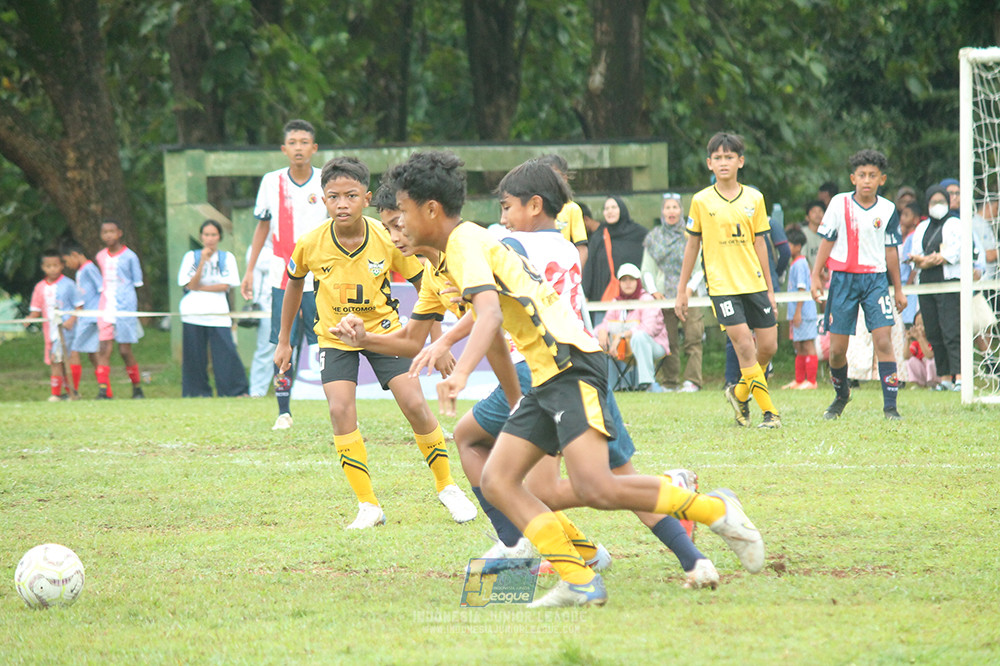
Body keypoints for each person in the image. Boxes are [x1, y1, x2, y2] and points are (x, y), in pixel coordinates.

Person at [388, 150, 764, 607]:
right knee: (498, 481)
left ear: (430, 209)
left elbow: (488, 316)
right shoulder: (454, 253)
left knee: (596, 487)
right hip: (546, 376)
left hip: (569, 364)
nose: (399, 224)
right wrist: (509, 398)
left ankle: (715, 510)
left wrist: (459, 371)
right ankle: (579, 579)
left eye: (402, 212)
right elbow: (498, 325)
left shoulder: (466, 242)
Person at [274, 156, 477, 529]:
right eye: (333, 197)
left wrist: (438, 341)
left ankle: (447, 486)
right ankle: (368, 505)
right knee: (339, 410)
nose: (342, 204)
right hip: (334, 337)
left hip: (386, 334)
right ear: (322, 200)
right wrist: (284, 339)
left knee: (415, 403)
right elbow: (294, 282)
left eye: (351, 196)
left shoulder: (389, 237)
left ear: (366, 198)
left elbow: (424, 284)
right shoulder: (310, 244)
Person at [676, 132, 781, 429]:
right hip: (722, 287)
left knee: (769, 346)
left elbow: (761, 244)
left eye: (729, 157)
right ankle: (769, 413)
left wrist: (770, 291)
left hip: (755, 283)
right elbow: (692, 245)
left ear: (741, 161)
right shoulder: (701, 201)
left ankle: (738, 393)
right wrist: (681, 289)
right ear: (709, 164)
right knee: (745, 345)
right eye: (718, 158)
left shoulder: (755, 198)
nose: (724, 162)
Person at [242, 119, 327, 430]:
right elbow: (262, 227)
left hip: (322, 276)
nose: (299, 148)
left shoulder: (325, 181)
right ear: (284, 149)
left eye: (305, 142)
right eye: (293, 142)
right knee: (284, 343)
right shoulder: (271, 182)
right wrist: (249, 270)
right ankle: (283, 411)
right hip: (283, 276)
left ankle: (339, 406)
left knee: (327, 344)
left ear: (314, 148)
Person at [810, 150, 906, 419]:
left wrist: (897, 288)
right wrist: (816, 274)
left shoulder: (887, 210)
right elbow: (827, 240)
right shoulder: (839, 204)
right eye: (862, 175)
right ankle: (841, 396)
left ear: (882, 179)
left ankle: (890, 407)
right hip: (842, 280)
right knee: (838, 350)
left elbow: (891, 251)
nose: (867, 180)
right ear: (853, 178)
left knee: (883, 340)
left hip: (875, 280)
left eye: (872, 175)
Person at [177, 220, 249, 397]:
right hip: (193, 313)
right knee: (194, 354)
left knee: (226, 351)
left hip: (218, 313)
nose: (210, 239)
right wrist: (202, 261)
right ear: (201, 236)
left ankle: (234, 390)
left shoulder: (227, 258)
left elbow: (225, 285)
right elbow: (189, 283)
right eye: (206, 235)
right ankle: (196, 392)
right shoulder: (191, 258)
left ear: (219, 237)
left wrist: (199, 287)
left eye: (213, 235)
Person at [641, 192, 704, 392]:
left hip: (689, 295)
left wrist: (687, 290)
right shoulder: (654, 237)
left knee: (693, 337)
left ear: (681, 210)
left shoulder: (691, 234)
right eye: (667, 208)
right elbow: (647, 269)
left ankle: (693, 380)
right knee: (669, 340)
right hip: (664, 295)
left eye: (675, 207)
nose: (671, 211)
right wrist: (653, 292)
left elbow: (700, 267)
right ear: (662, 211)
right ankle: (670, 381)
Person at [907, 185, 962, 391]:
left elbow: (953, 254)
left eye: (941, 201)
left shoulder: (955, 224)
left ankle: (960, 377)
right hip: (926, 284)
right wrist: (924, 261)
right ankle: (944, 377)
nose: (937, 206)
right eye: (933, 202)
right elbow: (915, 257)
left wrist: (929, 260)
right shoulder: (921, 228)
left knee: (951, 330)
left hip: (948, 283)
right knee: (934, 331)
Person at [595, 263, 669, 392]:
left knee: (639, 336)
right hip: (623, 347)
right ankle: (601, 385)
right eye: (624, 280)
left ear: (638, 281)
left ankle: (648, 383)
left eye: (631, 279)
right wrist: (602, 330)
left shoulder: (647, 300)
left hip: (654, 346)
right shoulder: (616, 302)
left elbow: (649, 328)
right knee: (595, 337)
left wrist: (623, 335)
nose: (628, 283)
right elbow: (606, 322)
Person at [94, 219, 144, 400]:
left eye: (112, 231)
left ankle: (137, 387)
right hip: (106, 306)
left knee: (124, 350)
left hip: (125, 307)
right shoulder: (100, 256)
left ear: (119, 233)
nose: (108, 235)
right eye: (105, 232)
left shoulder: (130, 256)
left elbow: (136, 282)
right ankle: (103, 390)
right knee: (104, 348)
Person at [26, 250, 82, 401]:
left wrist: (71, 320)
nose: (52, 269)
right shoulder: (39, 287)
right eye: (48, 266)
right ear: (43, 267)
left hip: (67, 330)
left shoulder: (69, 284)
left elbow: (79, 307)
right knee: (55, 360)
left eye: (55, 265)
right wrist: (29, 319)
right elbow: (35, 310)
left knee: (67, 359)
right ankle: (57, 393)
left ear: (62, 266)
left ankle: (70, 392)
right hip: (49, 331)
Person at [581, 195, 648, 322]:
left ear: (622, 210)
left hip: (632, 301)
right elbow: (590, 266)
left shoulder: (638, 234)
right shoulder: (599, 236)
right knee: (602, 336)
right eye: (606, 209)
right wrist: (586, 294)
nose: (610, 211)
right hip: (603, 301)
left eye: (613, 207)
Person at [60, 241, 102, 396]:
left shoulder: (89, 268)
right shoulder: (81, 271)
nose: (66, 264)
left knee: (75, 350)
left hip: (92, 317)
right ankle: (104, 389)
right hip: (85, 317)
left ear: (75, 255)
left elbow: (102, 288)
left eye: (66, 260)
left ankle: (73, 391)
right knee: (92, 353)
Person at [782, 227, 819, 389]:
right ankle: (799, 379)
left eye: (788, 244)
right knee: (799, 346)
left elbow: (802, 289)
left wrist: (797, 312)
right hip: (797, 313)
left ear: (797, 246)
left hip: (804, 312)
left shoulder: (801, 264)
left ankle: (811, 381)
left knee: (808, 344)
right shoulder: (795, 264)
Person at [538, 154, 589, 266]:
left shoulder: (572, 209)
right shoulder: (536, 208)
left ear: (564, 179)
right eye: (545, 177)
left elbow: (582, 249)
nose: (549, 181)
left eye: (554, 176)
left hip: (564, 270)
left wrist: (574, 276)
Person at [245, 238, 276, 398]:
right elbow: (276, 263)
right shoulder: (259, 249)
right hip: (266, 308)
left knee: (292, 348)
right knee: (265, 349)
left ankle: (288, 388)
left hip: (287, 307)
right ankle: (257, 391)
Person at [905, 312, 937, 388]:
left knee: (931, 361)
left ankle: (934, 383)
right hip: (925, 372)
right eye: (917, 325)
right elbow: (906, 356)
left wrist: (920, 338)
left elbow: (929, 355)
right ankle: (920, 383)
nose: (919, 328)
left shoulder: (934, 341)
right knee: (911, 361)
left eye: (922, 325)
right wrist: (908, 340)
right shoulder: (916, 343)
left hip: (936, 374)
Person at [802, 200, 826, 270]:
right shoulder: (803, 233)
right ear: (807, 217)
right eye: (814, 212)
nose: (818, 214)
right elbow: (803, 258)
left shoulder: (827, 234)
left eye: (820, 211)